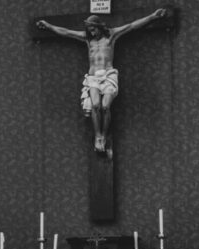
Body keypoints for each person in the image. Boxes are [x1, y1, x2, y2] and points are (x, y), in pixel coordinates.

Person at [36, 10, 167, 154]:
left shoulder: (111, 35)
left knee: (105, 107)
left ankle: (104, 135)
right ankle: (98, 136)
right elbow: (66, 32)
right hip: (93, 78)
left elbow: (131, 26)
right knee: (96, 105)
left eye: (93, 29)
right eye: (89, 30)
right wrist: (48, 26)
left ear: (99, 26)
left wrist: (153, 17)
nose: (91, 32)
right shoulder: (87, 39)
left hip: (108, 75)